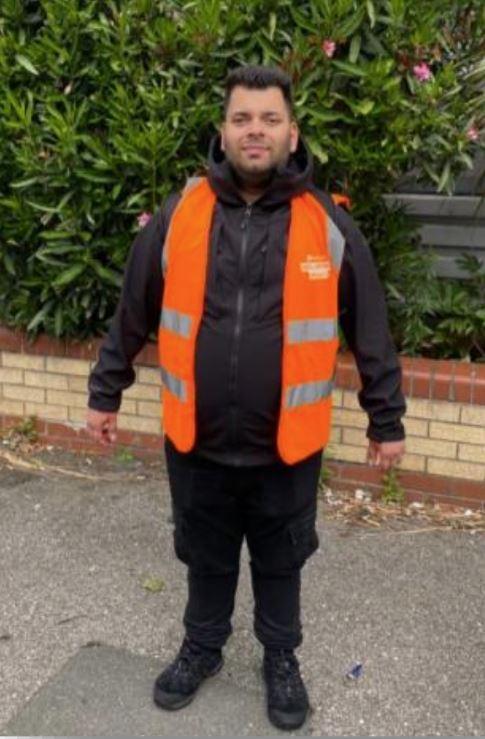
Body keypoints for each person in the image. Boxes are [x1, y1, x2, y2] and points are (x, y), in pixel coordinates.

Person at [86, 64, 406, 731]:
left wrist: (386, 417)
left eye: (267, 119)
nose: (253, 130)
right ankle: (201, 646)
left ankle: (280, 658)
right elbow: (134, 309)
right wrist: (105, 390)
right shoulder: (182, 214)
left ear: (291, 133)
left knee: (281, 557)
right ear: (222, 132)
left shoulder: (326, 225)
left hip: (286, 444)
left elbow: (369, 323)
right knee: (203, 553)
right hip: (195, 439)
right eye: (241, 119)